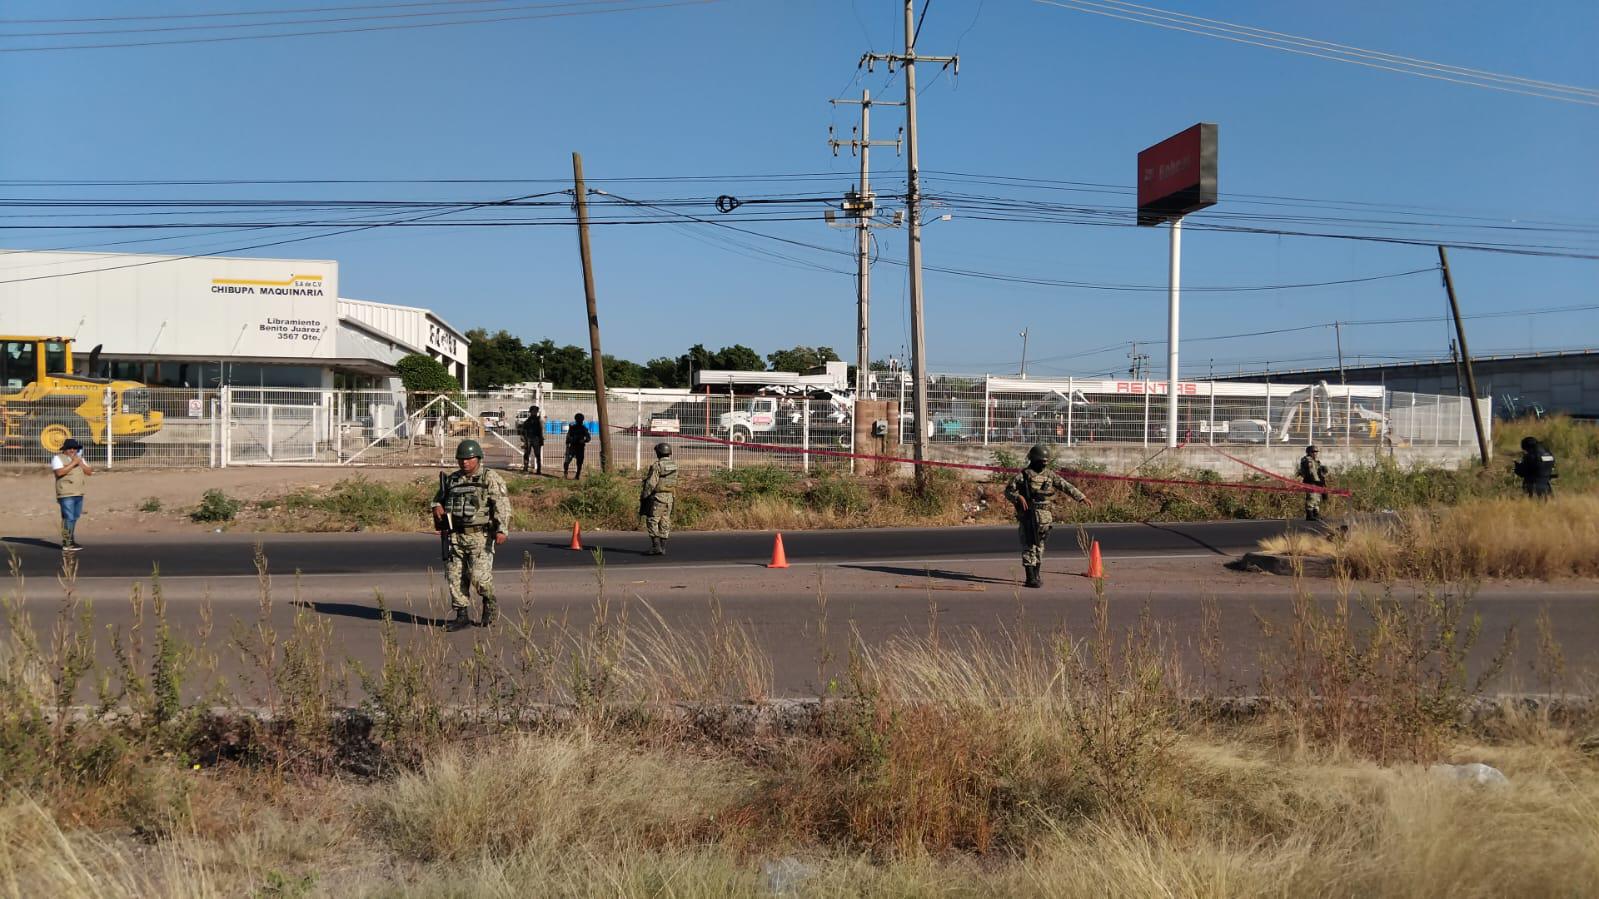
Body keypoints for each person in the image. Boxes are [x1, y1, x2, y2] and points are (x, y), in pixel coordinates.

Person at [431, 439, 510, 632]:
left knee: (479, 578)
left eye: (468, 459)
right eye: (461, 459)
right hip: (455, 536)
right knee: (455, 577)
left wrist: (502, 529)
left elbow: (501, 504)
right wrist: (437, 507)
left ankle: (489, 603)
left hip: (480, 536)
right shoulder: (452, 480)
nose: (464, 462)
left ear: (478, 458)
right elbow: (436, 501)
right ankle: (461, 616)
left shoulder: (489, 477)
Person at [1003, 444, 1089, 588]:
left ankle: (1036, 575)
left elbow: (1065, 486)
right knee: (1029, 546)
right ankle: (1030, 578)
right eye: (1041, 461)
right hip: (1029, 515)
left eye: (1045, 462)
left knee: (1040, 546)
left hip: (1044, 517)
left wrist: (1081, 497)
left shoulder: (1050, 475)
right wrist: (1018, 497)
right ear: (1034, 460)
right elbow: (1007, 491)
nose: (1043, 464)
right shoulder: (1023, 476)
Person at [50, 438, 92, 552]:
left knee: (74, 517)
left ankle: (70, 540)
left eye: (74, 448)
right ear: (65, 449)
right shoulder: (58, 458)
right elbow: (59, 472)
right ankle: (67, 542)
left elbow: (89, 472)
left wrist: (80, 463)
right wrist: (73, 463)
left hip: (78, 492)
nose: (72, 450)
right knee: (68, 517)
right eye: (70, 448)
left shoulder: (80, 459)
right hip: (65, 493)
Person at [639, 442, 678, 556]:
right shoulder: (675, 465)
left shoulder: (657, 465)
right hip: (670, 497)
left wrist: (644, 496)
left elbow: (651, 483)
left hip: (658, 497)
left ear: (658, 452)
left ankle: (656, 546)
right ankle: (663, 547)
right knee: (665, 521)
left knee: (652, 520)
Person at [1298, 444, 1328, 521]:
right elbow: (1312, 472)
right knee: (1311, 498)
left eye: (1316, 452)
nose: (1315, 453)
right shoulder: (1308, 460)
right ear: (1309, 452)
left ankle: (1316, 514)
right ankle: (1310, 515)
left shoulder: (1316, 461)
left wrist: (1322, 482)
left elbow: (1320, 472)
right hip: (1311, 482)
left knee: (1317, 498)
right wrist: (1317, 481)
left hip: (1317, 482)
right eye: (1313, 452)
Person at [564, 412, 592, 479]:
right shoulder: (576, 428)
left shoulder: (582, 428)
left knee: (573, 462)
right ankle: (570, 474)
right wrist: (568, 443)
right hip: (575, 447)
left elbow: (588, 438)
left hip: (578, 447)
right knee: (572, 462)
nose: (579, 421)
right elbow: (588, 438)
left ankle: (574, 475)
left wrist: (584, 440)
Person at [520, 404, 545, 474]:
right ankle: (525, 468)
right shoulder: (527, 421)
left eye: (536, 411)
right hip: (528, 439)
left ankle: (539, 469)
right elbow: (523, 431)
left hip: (536, 439)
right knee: (526, 454)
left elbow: (541, 431)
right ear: (530, 412)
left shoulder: (539, 421)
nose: (534, 413)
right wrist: (523, 440)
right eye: (533, 411)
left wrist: (541, 440)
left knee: (537, 455)